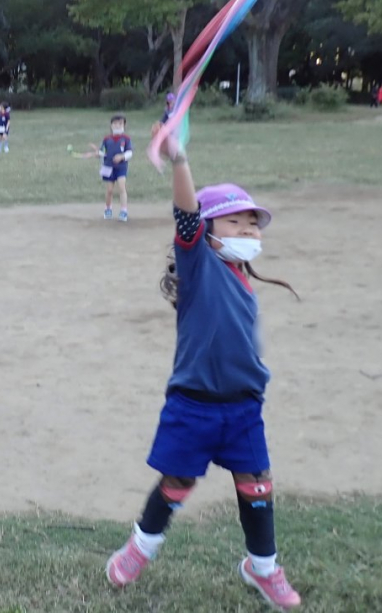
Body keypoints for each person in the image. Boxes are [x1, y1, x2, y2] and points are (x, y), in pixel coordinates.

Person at [105, 133, 302, 610]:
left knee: (257, 485)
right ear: (210, 232)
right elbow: (186, 215)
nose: (249, 233)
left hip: (242, 408)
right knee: (176, 483)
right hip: (192, 407)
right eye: (237, 223)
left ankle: (263, 568)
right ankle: (140, 548)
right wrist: (181, 160)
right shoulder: (200, 266)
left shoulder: (240, 279)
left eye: (254, 227)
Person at [100, 114, 133, 222]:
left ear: (124, 125)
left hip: (121, 167)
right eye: (115, 123)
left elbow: (130, 153)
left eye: (120, 123)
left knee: (122, 187)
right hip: (108, 167)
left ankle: (123, 211)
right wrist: (98, 153)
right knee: (109, 190)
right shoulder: (106, 139)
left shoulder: (126, 139)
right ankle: (108, 208)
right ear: (111, 125)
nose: (117, 125)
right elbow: (103, 152)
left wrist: (122, 156)